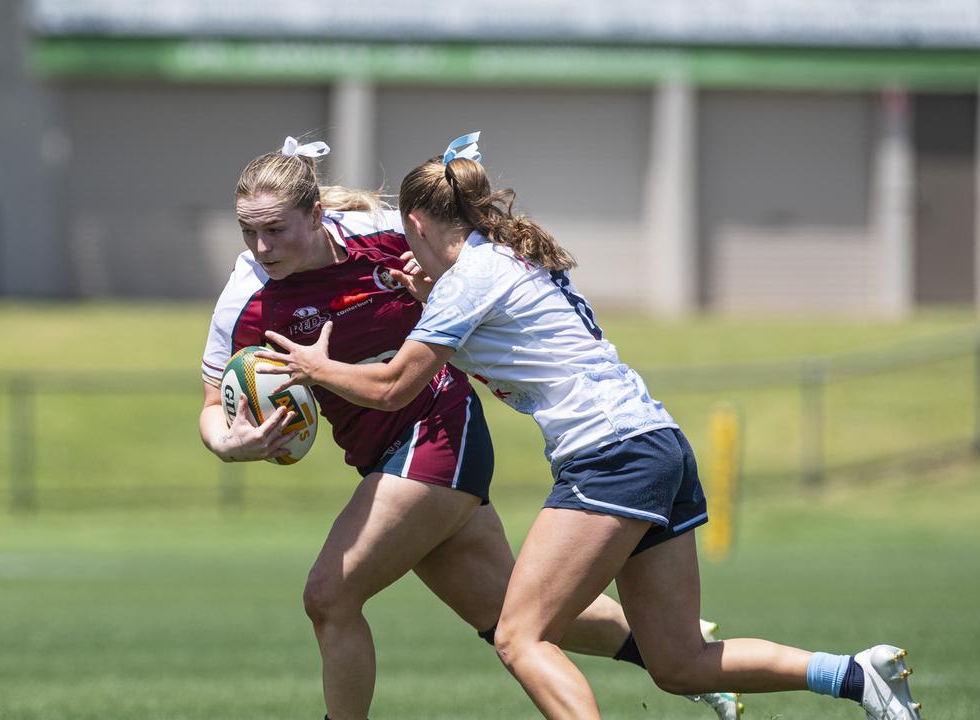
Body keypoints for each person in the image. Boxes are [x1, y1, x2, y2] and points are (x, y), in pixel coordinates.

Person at [256, 132, 923, 720]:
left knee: (519, 637)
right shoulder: (505, 260)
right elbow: (498, 335)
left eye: (410, 243)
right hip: (658, 444)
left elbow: (394, 384)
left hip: (610, 456)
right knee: (679, 661)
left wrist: (315, 368)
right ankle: (856, 675)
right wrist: (426, 293)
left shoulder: (469, 281)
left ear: (419, 227)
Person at [197, 136, 743, 720]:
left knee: (329, 596)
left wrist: (434, 280)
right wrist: (230, 442)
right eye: (248, 231)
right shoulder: (247, 296)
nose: (262, 246)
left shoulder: (386, 234)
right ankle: (691, 661)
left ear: (315, 215)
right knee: (507, 614)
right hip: (378, 453)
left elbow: (466, 246)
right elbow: (212, 404)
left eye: (276, 229)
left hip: (437, 430)